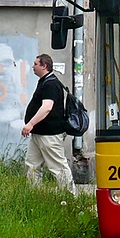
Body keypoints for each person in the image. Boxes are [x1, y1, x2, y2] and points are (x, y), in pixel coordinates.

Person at [22, 54, 74, 193]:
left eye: (35, 64)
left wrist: (30, 124)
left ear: (44, 66)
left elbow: (47, 107)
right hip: (39, 133)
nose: (33, 67)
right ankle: (35, 194)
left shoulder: (51, 84)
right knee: (32, 165)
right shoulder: (45, 81)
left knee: (57, 167)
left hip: (49, 134)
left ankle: (70, 196)